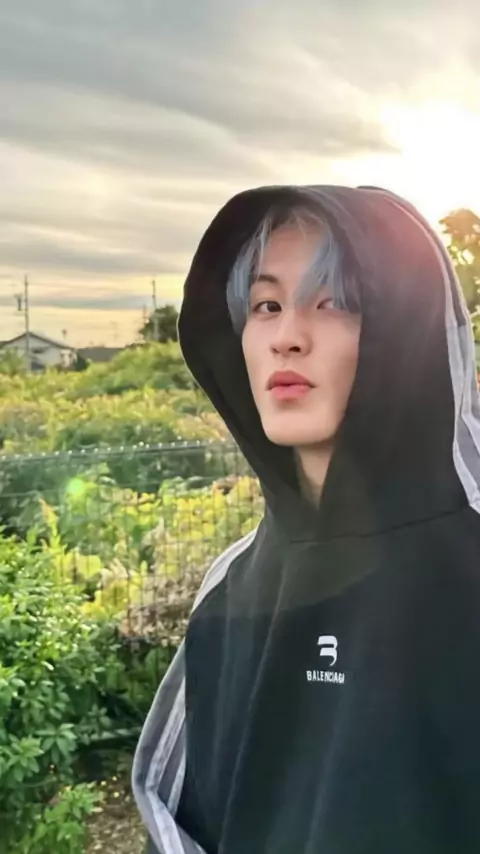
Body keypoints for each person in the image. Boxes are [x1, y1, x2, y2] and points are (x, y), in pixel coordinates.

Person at [133, 184, 480, 854]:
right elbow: (176, 817)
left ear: (404, 332)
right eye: (266, 305)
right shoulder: (230, 591)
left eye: (335, 303)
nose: (287, 337)